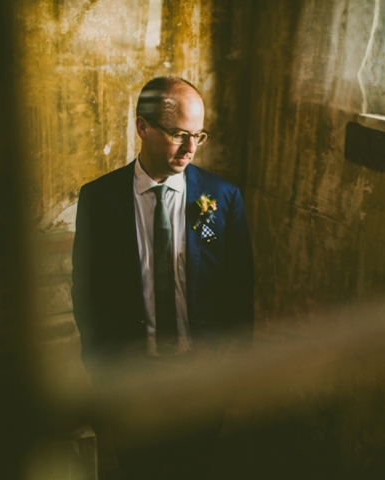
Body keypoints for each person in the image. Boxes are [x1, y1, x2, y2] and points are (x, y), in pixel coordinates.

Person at [71, 76, 254, 479]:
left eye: (198, 136)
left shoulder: (223, 197)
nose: (191, 148)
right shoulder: (100, 200)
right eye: (178, 135)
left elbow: (240, 291)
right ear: (142, 128)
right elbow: (87, 290)